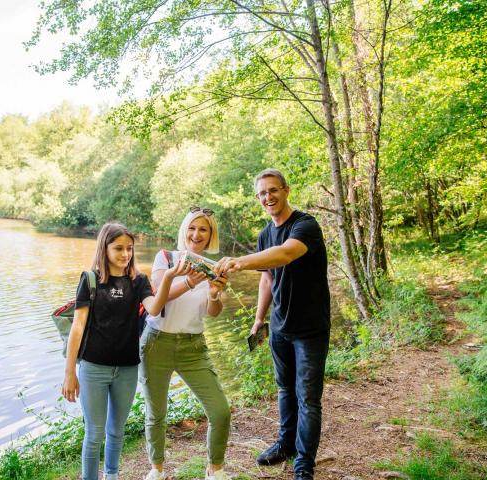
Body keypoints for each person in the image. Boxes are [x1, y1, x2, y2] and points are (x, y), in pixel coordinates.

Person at [214, 169, 330, 480]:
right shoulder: (265, 234)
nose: (269, 197)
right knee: (284, 390)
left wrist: (239, 261)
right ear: (258, 198)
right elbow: (268, 277)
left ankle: (304, 464)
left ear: (286, 190)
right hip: (280, 327)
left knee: (308, 397)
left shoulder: (305, 225)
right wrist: (258, 320)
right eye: (263, 193)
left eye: (273, 190)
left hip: (310, 329)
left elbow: (286, 254)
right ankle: (285, 444)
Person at [62, 223, 190, 480]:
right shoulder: (90, 280)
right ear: (104, 248)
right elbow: (77, 328)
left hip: (128, 369)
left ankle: (112, 475)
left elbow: (154, 309)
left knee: (116, 431)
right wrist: (70, 373)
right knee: (95, 433)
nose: (125, 254)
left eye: (129, 248)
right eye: (118, 248)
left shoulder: (139, 280)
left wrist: (167, 277)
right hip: (93, 368)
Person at [141, 206, 232, 480]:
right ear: (184, 231)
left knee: (221, 411)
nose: (196, 234)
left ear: (210, 235)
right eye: (192, 228)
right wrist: (190, 282)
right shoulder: (166, 257)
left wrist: (215, 293)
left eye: (203, 229)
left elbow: (212, 312)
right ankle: (156, 469)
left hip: (193, 347)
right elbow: (158, 295)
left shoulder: (212, 268)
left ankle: (214, 469)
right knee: (156, 414)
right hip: (157, 343)